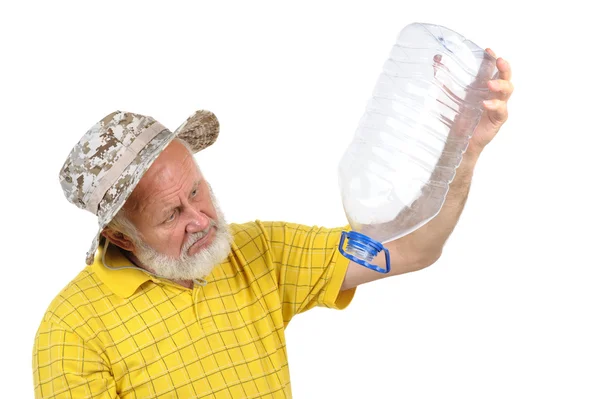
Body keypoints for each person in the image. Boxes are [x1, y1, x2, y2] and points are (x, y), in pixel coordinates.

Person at [32, 50, 513, 398]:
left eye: (196, 190)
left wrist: (462, 149)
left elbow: (409, 249)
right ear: (120, 236)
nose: (202, 219)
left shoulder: (257, 251)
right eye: (171, 214)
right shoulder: (72, 331)